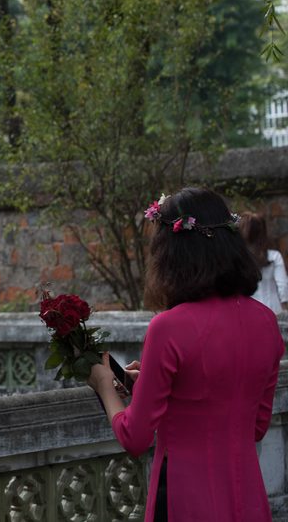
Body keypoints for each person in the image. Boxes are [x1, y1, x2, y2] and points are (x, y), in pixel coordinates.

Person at [87, 188, 284, 522]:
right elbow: (255, 426)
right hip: (246, 499)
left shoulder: (168, 328)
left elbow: (135, 437)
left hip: (183, 499)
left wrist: (104, 385)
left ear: (170, 253)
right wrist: (149, 385)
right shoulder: (266, 322)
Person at [239, 211, 288, 315]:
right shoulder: (274, 256)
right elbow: (283, 286)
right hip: (273, 310)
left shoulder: (238, 259)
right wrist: (284, 308)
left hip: (247, 313)